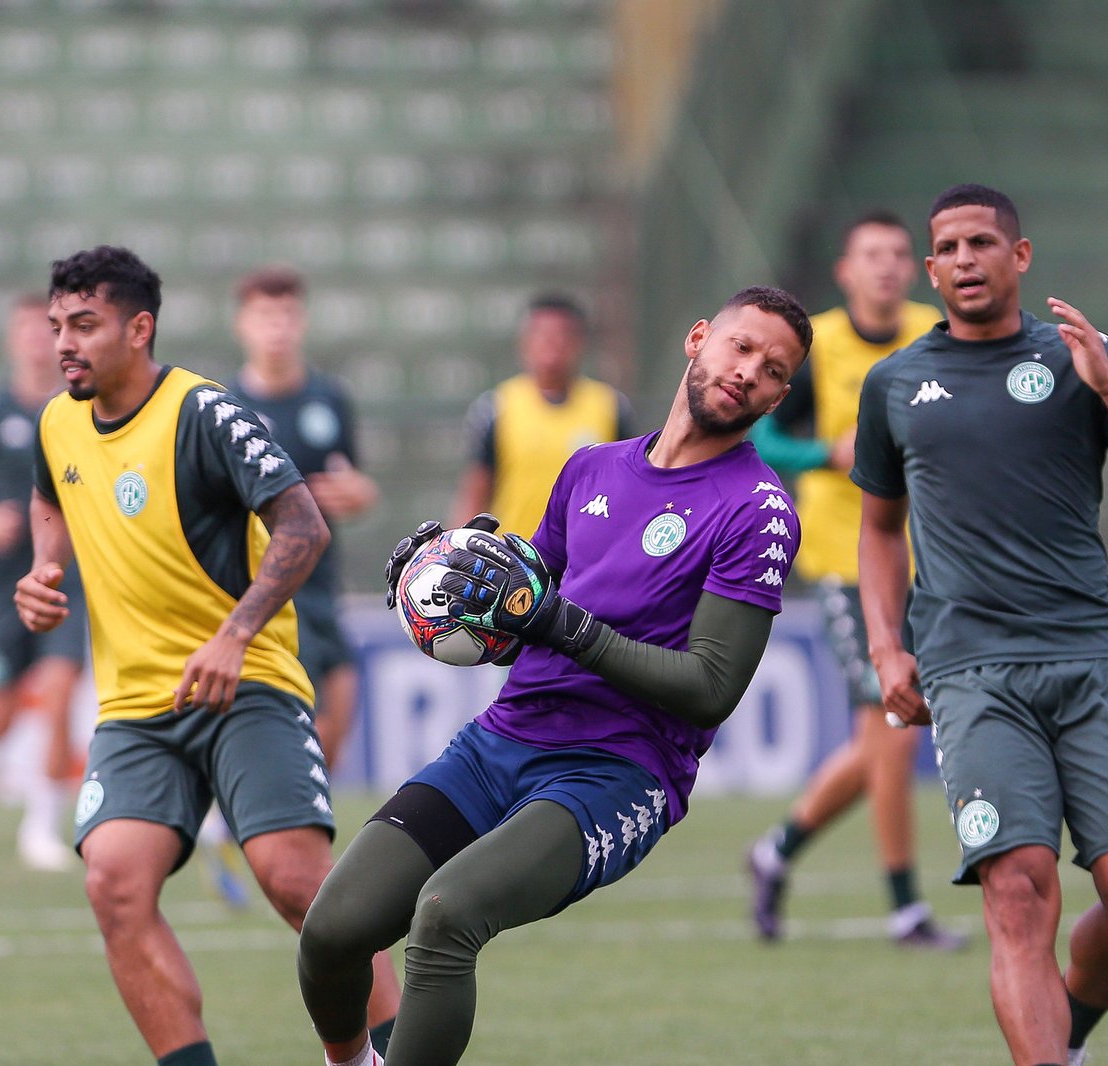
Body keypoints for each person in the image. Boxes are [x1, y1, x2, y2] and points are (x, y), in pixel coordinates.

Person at [296, 285, 813, 1066]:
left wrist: (561, 626)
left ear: (780, 394)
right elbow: (517, 623)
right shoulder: (591, 469)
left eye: (775, 370)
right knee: (333, 929)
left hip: (617, 772)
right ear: (699, 338)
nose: (750, 372)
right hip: (502, 743)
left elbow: (711, 687)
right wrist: (437, 592)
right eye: (742, 347)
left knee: (446, 914)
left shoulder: (758, 508)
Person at [12, 245, 399, 1066]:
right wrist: (46, 569)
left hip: (246, 684)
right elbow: (50, 493)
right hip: (135, 708)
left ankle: (384, 1057)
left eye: (85, 324)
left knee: (297, 882)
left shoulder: (204, 412)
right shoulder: (55, 420)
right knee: (114, 885)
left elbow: (303, 525)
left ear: (139, 328)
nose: (64, 344)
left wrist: (235, 634)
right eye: (57, 327)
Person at [854, 185, 1108, 1066]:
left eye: (983, 242)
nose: (964, 259)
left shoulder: (1083, 358)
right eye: (948, 248)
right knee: (1018, 890)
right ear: (930, 270)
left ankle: (1068, 1032)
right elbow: (878, 528)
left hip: (1090, 656)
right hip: (968, 671)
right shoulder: (894, 382)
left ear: (1021, 257)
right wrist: (886, 644)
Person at [744, 211, 964, 949]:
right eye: (872, 254)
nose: (887, 266)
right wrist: (824, 456)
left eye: (900, 254)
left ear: (916, 268)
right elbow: (767, 435)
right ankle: (905, 908)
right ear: (846, 270)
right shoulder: (819, 346)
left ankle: (775, 851)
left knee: (882, 737)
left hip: (929, 559)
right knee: (895, 730)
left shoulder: (934, 334)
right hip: (845, 559)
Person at [194, 264, 382, 913]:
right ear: (242, 324)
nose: (276, 328)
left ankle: (236, 823)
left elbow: (352, 482)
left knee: (340, 717)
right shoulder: (222, 407)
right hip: (267, 591)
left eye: (286, 315)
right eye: (264, 316)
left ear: (300, 322)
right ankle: (269, 835)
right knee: (305, 717)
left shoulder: (330, 400)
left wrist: (359, 495)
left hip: (325, 585)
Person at [0, 291, 87, 873]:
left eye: (45, 330)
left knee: (58, 697)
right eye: (25, 329)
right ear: (12, 338)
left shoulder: (80, 406)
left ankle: (40, 827)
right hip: (4, 581)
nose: (36, 340)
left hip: (66, 579)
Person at [449, 292, 632, 534]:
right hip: (513, 560)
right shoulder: (497, 408)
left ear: (580, 342)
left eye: (563, 335)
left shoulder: (610, 407)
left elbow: (628, 488)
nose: (553, 344)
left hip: (585, 561)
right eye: (543, 335)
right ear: (524, 342)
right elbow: (475, 491)